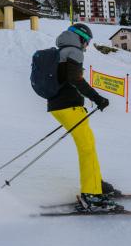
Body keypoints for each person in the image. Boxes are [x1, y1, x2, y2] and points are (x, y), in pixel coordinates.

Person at [47, 23, 116, 211]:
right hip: (69, 106)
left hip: (58, 106)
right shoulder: (74, 51)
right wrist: (97, 98)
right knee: (87, 148)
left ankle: (95, 183)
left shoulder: (61, 51)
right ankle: (91, 195)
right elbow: (75, 80)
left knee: (88, 145)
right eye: (87, 42)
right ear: (81, 38)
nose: (87, 46)